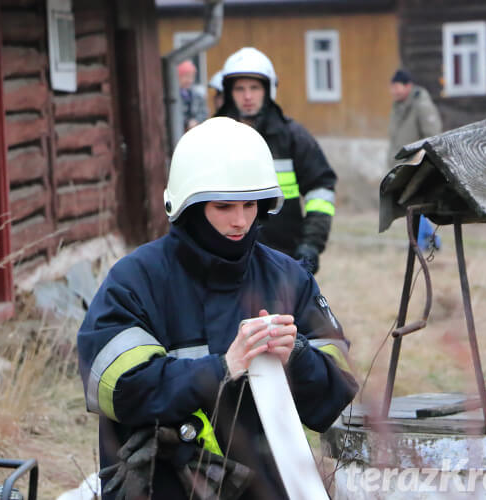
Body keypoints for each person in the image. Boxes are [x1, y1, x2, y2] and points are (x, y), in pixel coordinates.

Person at [77, 117, 357, 500]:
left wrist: (299, 356)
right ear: (188, 206)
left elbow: (336, 396)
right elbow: (115, 388)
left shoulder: (288, 277)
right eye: (223, 206)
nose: (240, 221)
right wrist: (221, 368)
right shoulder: (137, 280)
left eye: (250, 204)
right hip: (159, 486)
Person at [216, 47, 337, 275]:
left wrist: (311, 244)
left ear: (268, 90)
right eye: (240, 88)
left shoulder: (293, 137)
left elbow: (321, 190)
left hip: (283, 256)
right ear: (229, 92)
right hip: (224, 256)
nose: (248, 96)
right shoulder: (213, 136)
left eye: (255, 87)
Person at [387, 69, 443, 251]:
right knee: (410, 205)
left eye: (397, 87)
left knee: (414, 205)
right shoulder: (398, 106)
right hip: (403, 165)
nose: (394, 91)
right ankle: (430, 239)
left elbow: (433, 134)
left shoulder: (421, 105)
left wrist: (427, 160)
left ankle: (419, 242)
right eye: (392, 87)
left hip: (418, 164)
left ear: (408, 86)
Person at [178, 59, 207, 130]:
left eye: (192, 77)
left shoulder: (197, 95)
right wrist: (186, 122)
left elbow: (204, 112)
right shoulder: (173, 96)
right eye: (186, 76)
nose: (190, 80)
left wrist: (196, 121)